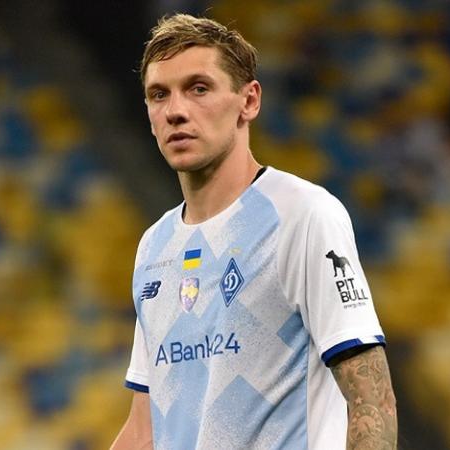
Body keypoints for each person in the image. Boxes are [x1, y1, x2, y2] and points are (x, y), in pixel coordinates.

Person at [111, 14, 397, 450]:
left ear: (249, 101)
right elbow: (143, 431)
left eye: (199, 88)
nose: (175, 111)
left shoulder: (302, 215)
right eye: (158, 95)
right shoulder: (155, 246)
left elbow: (372, 402)